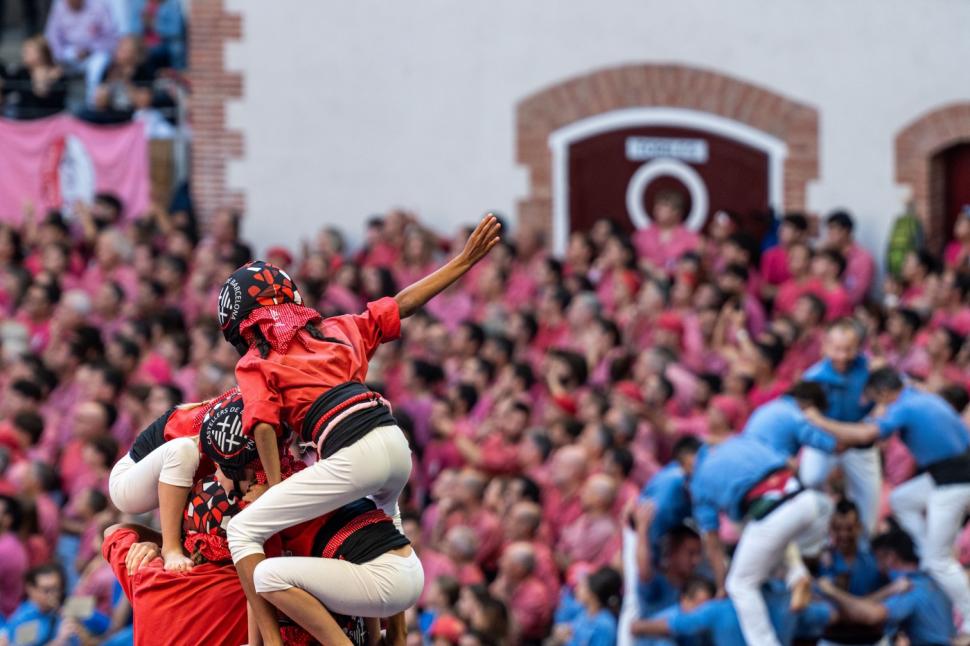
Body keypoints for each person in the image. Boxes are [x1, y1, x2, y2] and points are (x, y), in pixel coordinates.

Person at [221, 215, 500, 645]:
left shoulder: (256, 359)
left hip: (352, 448)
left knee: (242, 532)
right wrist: (462, 262)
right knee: (386, 526)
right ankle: (396, 639)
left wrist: (276, 488)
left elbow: (260, 424)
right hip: (393, 445)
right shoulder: (336, 328)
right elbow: (400, 303)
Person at [807, 367, 970, 640]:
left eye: (877, 402)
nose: (877, 409)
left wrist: (818, 420)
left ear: (885, 394)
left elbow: (864, 436)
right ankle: (925, 549)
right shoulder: (915, 393)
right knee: (900, 500)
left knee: (939, 560)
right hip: (946, 472)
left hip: (955, 482)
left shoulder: (903, 407)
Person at [691, 434, 833, 646]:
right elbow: (790, 463)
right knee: (761, 533)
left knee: (739, 584)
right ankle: (796, 574)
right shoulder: (742, 441)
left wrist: (721, 586)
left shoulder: (699, 478)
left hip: (771, 513)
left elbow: (712, 543)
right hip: (806, 500)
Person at [107, 389, 244, 571]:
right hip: (130, 480)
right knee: (183, 450)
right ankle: (171, 549)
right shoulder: (229, 416)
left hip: (185, 480)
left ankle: (173, 544)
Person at [799, 318, 881, 536]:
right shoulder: (813, 376)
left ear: (858, 348)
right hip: (826, 441)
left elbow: (888, 400)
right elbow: (806, 415)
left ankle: (864, 547)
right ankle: (817, 537)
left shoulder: (871, 368)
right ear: (825, 346)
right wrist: (830, 442)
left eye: (849, 349)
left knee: (869, 502)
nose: (843, 356)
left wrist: (868, 424)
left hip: (860, 441)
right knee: (809, 479)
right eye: (837, 349)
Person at [817, 530, 955, 646]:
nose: (876, 567)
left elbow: (871, 616)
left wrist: (831, 591)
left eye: (877, 559)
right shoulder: (931, 580)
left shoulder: (909, 586)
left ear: (890, 557)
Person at [44, 0, 119, 103]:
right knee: (50, 65)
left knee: (97, 64)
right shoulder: (59, 6)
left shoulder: (98, 6)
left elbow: (111, 37)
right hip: (69, 53)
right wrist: (68, 53)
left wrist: (90, 50)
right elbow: (52, 38)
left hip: (95, 53)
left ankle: (93, 102)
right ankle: (56, 104)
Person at [819, 499, 883, 597]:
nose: (843, 535)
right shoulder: (822, 560)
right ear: (830, 528)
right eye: (838, 529)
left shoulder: (873, 561)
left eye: (849, 529)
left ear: (859, 527)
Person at [632, 190, 700, 275]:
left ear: (677, 212)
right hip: (645, 281)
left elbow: (694, 268)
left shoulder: (692, 239)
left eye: (664, 205)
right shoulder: (640, 236)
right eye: (657, 205)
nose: (658, 208)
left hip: (678, 283)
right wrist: (641, 264)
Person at [0, 36, 67, 120]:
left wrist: (46, 80)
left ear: (41, 54)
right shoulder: (22, 72)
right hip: (23, 120)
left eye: (27, 52)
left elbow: (45, 98)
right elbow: (6, 87)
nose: (23, 54)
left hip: (50, 121)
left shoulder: (58, 74)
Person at [824, 210, 875, 306]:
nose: (829, 235)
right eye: (828, 230)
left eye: (832, 230)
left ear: (845, 231)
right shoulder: (828, 254)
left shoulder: (863, 258)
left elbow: (858, 294)